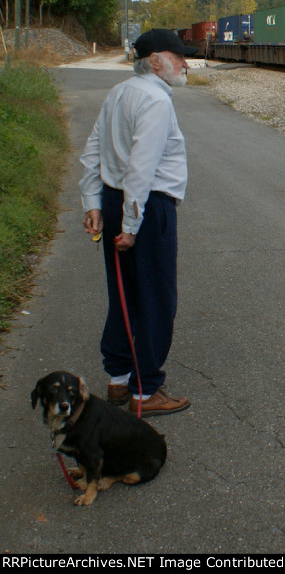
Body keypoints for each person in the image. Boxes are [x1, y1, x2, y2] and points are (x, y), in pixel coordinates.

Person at [79, 29, 195, 417]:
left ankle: (118, 380)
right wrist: (131, 226)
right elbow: (141, 169)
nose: (185, 63)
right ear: (156, 60)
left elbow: (94, 149)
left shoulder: (120, 92)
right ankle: (146, 392)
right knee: (156, 300)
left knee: (124, 293)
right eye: (178, 56)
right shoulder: (156, 101)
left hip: (116, 201)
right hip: (146, 207)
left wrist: (93, 202)